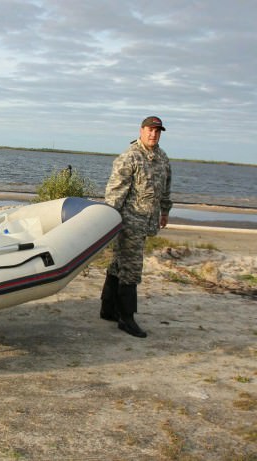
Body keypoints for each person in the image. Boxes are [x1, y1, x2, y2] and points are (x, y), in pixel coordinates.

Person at [100, 116, 172, 338]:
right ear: (141, 131)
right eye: (150, 130)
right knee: (131, 268)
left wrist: (165, 210)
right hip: (128, 222)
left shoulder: (161, 158)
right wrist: (109, 218)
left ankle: (108, 309)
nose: (153, 134)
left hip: (147, 220)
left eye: (157, 131)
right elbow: (115, 192)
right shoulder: (130, 157)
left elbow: (165, 187)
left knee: (118, 263)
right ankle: (126, 318)